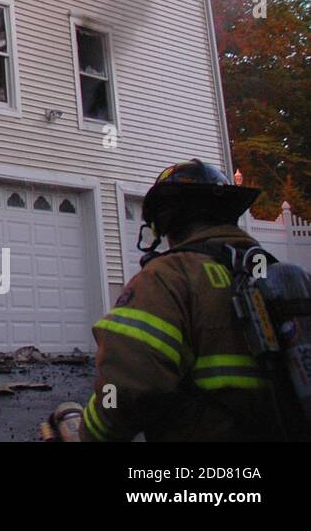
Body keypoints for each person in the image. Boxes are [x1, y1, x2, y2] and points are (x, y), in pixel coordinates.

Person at [53, 159, 294, 441]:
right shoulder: (276, 275)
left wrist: (89, 432)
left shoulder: (168, 278)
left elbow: (125, 383)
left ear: (165, 220)